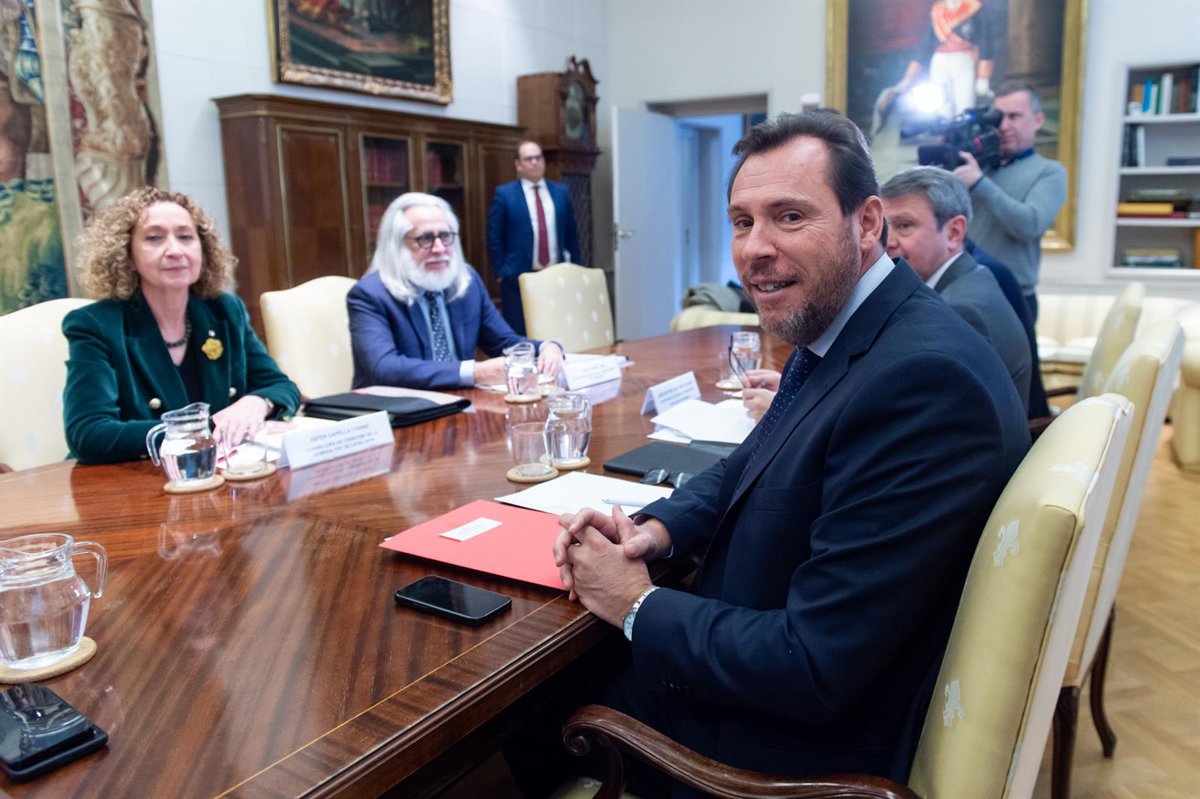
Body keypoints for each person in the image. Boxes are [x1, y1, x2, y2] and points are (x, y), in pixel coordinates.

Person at [552, 110, 1029, 792]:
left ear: (867, 223)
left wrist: (635, 602)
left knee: (521, 714)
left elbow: (813, 665)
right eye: (742, 221)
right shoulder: (859, 332)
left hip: (781, 752)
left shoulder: (923, 383)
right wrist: (654, 530)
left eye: (790, 217)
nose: (754, 248)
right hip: (766, 668)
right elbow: (751, 461)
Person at [63, 187, 300, 464]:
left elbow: (281, 386)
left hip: (219, 474)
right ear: (127, 256)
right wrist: (210, 429)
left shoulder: (225, 311)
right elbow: (88, 433)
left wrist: (257, 403)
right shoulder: (96, 325)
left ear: (203, 249)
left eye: (186, 237)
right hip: (134, 479)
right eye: (154, 238)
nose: (175, 250)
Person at [348, 192, 563, 390]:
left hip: (459, 403)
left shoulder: (466, 282)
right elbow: (384, 368)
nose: (439, 248)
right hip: (396, 410)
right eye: (425, 238)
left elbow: (503, 342)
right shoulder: (370, 294)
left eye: (445, 236)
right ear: (397, 245)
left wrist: (546, 348)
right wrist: (474, 372)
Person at [882, 165, 1031, 414]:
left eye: (905, 225)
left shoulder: (960, 310)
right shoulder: (972, 277)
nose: (888, 242)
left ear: (954, 232)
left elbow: (941, 415)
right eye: (885, 227)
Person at [953, 80, 1066, 322]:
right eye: (998, 117)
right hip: (965, 289)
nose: (1004, 126)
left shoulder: (1050, 172)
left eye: (1014, 116)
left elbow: (1030, 225)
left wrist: (980, 183)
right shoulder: (977, 166)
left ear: (1038, 120)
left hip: (1013, 297)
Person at [486, 140, 581, 335]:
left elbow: (571, 234)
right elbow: (494, 236)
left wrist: (576, 268)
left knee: (556, 331)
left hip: (556, 276)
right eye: (528, 159)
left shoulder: (560, 192)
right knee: (521, 334)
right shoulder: (505, 194)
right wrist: (501, 271)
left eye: (538, 157)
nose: (535, 163)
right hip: (518, 278)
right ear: (518, 164)